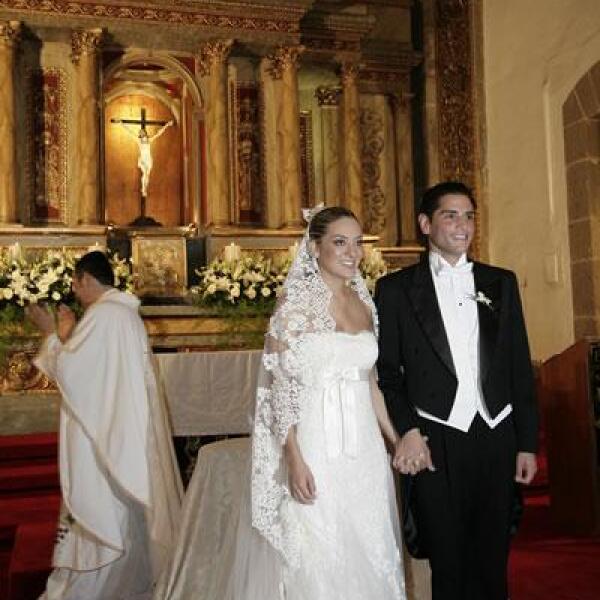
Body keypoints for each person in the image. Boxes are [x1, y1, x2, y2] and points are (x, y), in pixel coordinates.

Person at [224, 205, 407, 599]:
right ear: (314, 247)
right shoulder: (294, 306)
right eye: (340, 242)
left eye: (357, 243)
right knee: (318, 545)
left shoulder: (365, 305)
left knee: (370, 541)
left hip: (365, 450)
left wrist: (398, 441)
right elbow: (279, 391)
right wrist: (294, 458)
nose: (352, 253)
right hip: (316, 445)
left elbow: (371, 385)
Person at [375, 181, 539, 600]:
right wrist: (409, 430)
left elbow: (519, 367)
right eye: (450, 215)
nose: (462, 225)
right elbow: (388, 374)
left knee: (493, 559)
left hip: (496, 432)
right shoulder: (395, 290)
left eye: (469, 216)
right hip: (436, 437)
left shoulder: (501, 282)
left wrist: (526, 443)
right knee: (448, 562)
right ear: (425, 224)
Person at [27, 251, 182, 600]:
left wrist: (50, 333)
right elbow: (91, 371)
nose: (74, 291)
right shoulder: (122, 314)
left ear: (85, 279)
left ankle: (91, 590)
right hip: (116, 430)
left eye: (75, 283)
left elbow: (72, 373)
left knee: (101, 511)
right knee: (123, 514)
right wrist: (68, 335)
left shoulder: (103, 315)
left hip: (99, 438)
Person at [116, 120, 173, 197]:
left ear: (145, 133)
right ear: (140, 135)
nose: (142, 134)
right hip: (143, 160)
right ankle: (143, 189)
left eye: (143, 133)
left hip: (148, 160)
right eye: (141, 133)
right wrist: (121, 124)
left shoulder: (149, 140)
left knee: (147, 175)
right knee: (145, 173)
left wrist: (167, 125)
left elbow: (159, 133)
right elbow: (130, 132)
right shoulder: (139, 141)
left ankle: (144, 188)